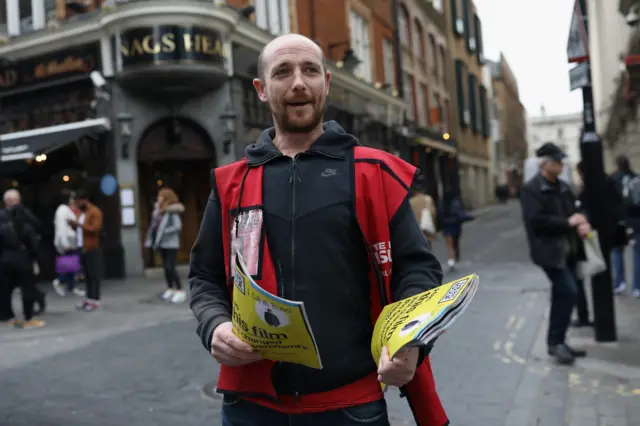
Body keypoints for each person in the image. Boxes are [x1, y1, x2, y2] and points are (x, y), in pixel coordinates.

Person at [189, 33, 447, 426]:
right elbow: (205, 277)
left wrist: (410, 339)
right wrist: (214, 326)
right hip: (251, 409)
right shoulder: (231, 184)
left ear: (326, 83)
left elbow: (418, 270)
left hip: (350, 405)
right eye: (282, 72)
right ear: (261, 89)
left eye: (310, 70)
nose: (298, 82)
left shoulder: (372, 172)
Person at [520, 142, 590, 365]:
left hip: (569, 250)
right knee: (567, 291)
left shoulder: (563, 186)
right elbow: (536, 221)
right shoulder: (531, 189)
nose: (561, 165)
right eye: (557, 161)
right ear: (544, 164)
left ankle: (558, 341)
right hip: (549, 252)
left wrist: (581, 220)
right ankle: (555, 343)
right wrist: (568, 222)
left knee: (565, 293)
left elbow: (577, 208)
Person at [0, 205, 45, 328]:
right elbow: (34, 247)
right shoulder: (27, 228)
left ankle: (7, 317)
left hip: (5, 262)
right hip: (23, 262)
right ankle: (28, 318)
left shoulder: (3, 228)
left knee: (5, 291)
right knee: (27, 290)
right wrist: (35, 259)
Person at [144, 187, 186, 303]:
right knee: (165, 268)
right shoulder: (159, 210)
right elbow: (154, 226)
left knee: (170, 267)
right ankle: (170, 288)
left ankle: (180, 290)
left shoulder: (171, 211)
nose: (159, 198)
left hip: (171, 244)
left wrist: (164, 232)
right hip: (161, 243)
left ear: (166, 197)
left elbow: (177, 227)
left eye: (161, 196)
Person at [610, 155, 640, 298]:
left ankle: (619, 283)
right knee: (637, 254)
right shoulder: (636, 178)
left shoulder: (613, 179)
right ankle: (637, 287)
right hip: (636, 220)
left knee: (617, 252)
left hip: (619, 222)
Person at [69, 190, 103, 312]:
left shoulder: (95, 211)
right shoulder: (81, 213)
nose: (77, 205)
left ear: (84, 200)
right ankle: (89, 299)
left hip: (92, 248)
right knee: (87, 275)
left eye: (78, 202)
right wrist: (73, 224)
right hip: (81, 247)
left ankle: (96, 300)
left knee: (94, 275)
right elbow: (78, 228)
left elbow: (95, 228)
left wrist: (78, 224)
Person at [52, 190, 84, 297]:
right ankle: (59, 280)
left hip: (70, 237)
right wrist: (64, 242)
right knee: (68, 262)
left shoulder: (66, 210)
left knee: (71, 262)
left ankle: (71, 286)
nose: (73, 200)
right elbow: (61, 227)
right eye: (71, 197)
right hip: (66, 238)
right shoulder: (62, 210)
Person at [439, 190, 472, 270]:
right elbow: (460, 215)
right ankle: (456, 257)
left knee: (449, 245)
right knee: (456, 243)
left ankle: (451, 261)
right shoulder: (456, 203)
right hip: (455, 226)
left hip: (446, 226)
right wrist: (470, 217)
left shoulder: (442, 204)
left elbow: (439, 215)